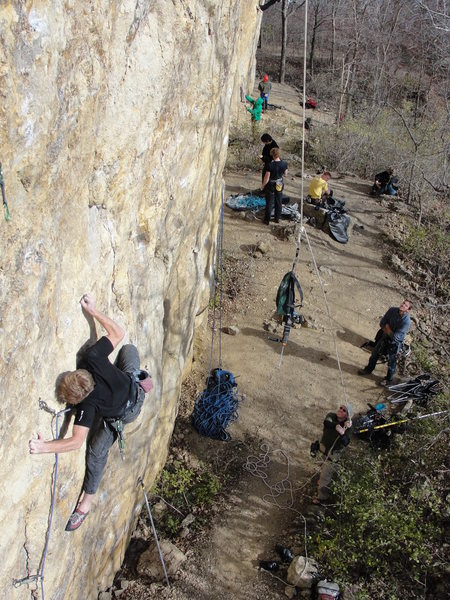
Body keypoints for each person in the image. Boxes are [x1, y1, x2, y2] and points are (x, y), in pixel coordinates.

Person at [29, 293, 152, 531]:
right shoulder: (94, 358)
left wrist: (44, 447)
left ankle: (87, 501)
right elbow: (118, 333)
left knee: (96, 452)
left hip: (126, 413)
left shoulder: (88, 405)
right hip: (130, 384)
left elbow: (76, 442)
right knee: (128, 350)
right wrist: (92, 311)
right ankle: (140, 379)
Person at [358, 299, 411, 385]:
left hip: (394, 343)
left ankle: (388, 380)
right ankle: (368, 369)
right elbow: (382, 322)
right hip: (384, 337)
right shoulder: (392, 310)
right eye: (403, 303)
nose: (403, 305)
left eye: (406, 305)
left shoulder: (406, 321)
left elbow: (396, 337)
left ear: (408, 309)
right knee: (374, 354)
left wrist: (387, 328)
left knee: (391, 362)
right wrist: (386, 329)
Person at [313, 404, 353, 504]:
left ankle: (322, 498)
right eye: (341, 408)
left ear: (347, 415)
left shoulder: (348, 427)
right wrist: (337, 426)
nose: (341, 410)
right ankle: (321, 481)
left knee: (325, 477)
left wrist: (343, 433)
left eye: (344, 410)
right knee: (320, 466)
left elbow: (346, 442)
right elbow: (326, 423)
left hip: (333, 454)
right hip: (323, 449)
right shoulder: (331, 416)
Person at [261, 147, 288, 224]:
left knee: (269, 202)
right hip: (279, 183)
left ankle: (267, 220)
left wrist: (263, 186)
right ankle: (277, 218)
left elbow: (267, 177)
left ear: (272, 155)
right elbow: (285, 174)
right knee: (278, 201)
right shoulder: (284, 164)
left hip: (271, 185)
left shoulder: (270, 165)